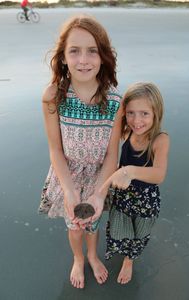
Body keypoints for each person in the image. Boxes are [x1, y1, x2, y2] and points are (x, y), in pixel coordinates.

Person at [38, 14, 122, 289]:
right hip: (67, 174)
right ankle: (78, 258)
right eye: (74, 51)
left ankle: (93, 255)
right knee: (74, 226)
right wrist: (71, 191)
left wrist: (99, 194)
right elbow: (55, 149)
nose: (83, 59)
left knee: (93, 224)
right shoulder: (53, 96)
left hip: (100, 174)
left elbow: (112, 154)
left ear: (103, 56)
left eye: (92, 51)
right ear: (63, 56)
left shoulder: (115, 102)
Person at [101, 82, 170, 284]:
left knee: (139, 234)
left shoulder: (160, 139)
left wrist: (129, 171)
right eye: (130, 113)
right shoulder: (127, 131)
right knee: (120, 228)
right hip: (123, 196)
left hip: (145, 201)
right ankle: (124, 250)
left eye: (144, 114)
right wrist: (122, 107)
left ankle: (129, 261)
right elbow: (116, 123)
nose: (136, 121)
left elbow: (159, 175)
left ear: (156, 113)